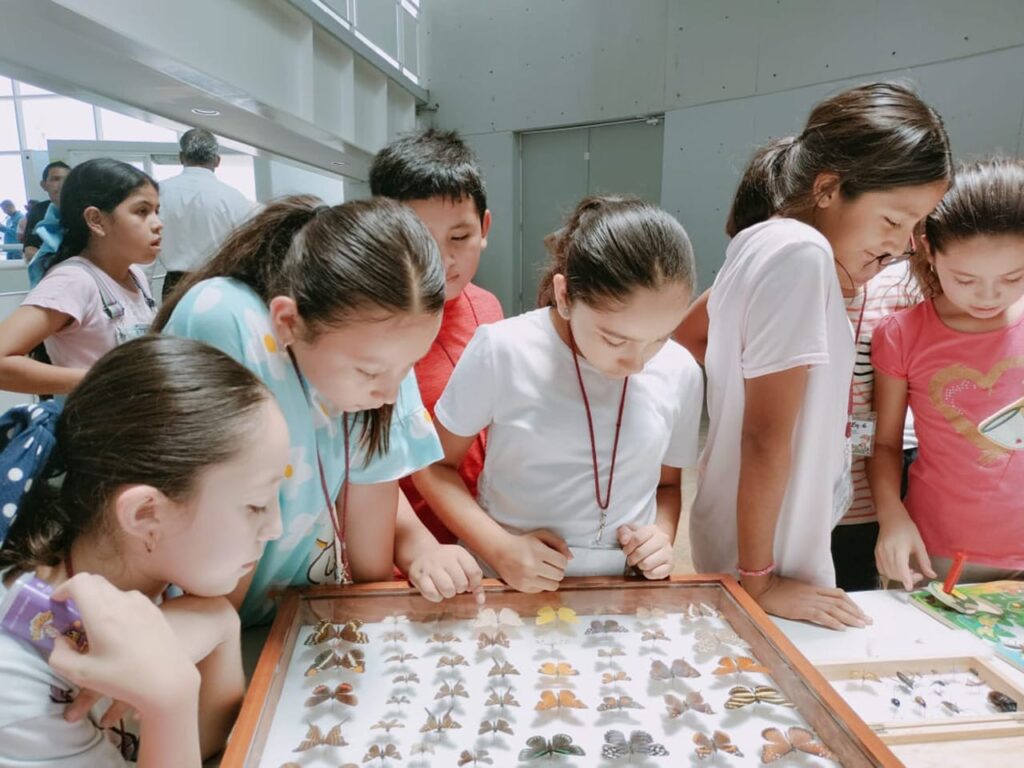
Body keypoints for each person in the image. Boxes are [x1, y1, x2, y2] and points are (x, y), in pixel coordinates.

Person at [688, 82, 951, 629]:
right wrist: (760, 580)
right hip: (766, 559)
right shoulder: (802, 255)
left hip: (742, 539)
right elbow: (765, 437)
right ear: (829, 188)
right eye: (892, 220)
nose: (902, 244)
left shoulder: (761, 241)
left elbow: (685, 338)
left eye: (912, 227)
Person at [155, 196, 483, 625]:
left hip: (304, 620)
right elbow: (213, 552)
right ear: (288, 322)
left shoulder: (385, 357)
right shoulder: (227, 321)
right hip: (205, 620)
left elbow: (371, 547)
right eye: (368, 371)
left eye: (407, 367)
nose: (388, 392)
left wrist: (421, 552)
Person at [0, 335, 290, 767]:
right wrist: (167, 703)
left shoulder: (129, 569)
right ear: (145, 514)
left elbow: (212, 743)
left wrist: (219, 620)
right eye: (255, 505)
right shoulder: (18, 685)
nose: (274, 528)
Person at [415, 195, 704, 592]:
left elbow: (667, 486)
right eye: (615, 339)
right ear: (565, 296)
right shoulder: (504, 349)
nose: (637, 363)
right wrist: (500, 550)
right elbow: (434, 467)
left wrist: (661, 537)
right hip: (506, 583)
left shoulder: (680, 370)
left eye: (659, 338)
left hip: (619, 591)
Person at [870, 157, 1024, 589]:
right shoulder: (903, 334)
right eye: (966, 279)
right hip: (935, 548)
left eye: (1013, 278)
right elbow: (884, 444)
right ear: (929, 251)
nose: (989, 296)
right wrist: (892, 517)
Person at [369, 128, 504, 544]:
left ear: (484, 227)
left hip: (483, 535)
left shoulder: (487, 308)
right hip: (401, 547)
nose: (443, 259)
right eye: (418, 240)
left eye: (459, 238)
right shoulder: (366, 331)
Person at [0, 159, 159, 397]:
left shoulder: (135, 275)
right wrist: (103, 380)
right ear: (96, 220)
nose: (158, 224)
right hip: (95, 428)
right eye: (142, 211)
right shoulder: (74, 280)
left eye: (157, 211)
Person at [156, 128, 252, 300]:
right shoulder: (233, 198)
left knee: (172, 328)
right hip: (218, 285)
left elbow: (142, 251)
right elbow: (246, 250)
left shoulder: (159, 193)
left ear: (181, 157)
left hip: (174, 286)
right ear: (217, 160)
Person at [22, 160, 70, 263]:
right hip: (51, 270)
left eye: (67, 179)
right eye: (56, 179)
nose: (62, 184)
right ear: (44, 185)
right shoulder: (38, 210)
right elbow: (29, 248)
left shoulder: (84, 209)